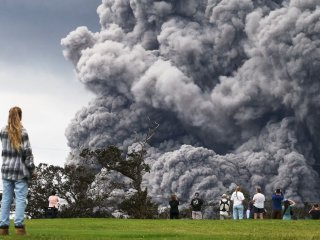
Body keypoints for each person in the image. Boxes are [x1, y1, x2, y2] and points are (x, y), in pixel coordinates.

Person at [0, 107, 35, 235]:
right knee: (20, 199)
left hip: (6, 170)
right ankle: (19, 228)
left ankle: (3, 228)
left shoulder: (3, 131)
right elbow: (27, 153)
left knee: (6, 199)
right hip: (20, 171)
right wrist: (32, 169)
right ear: (20, 116)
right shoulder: (23, 132)